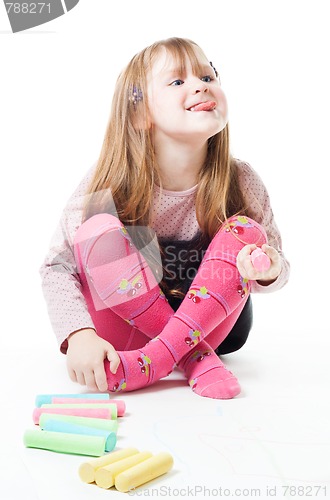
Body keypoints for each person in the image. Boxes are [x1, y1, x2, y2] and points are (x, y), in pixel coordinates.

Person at [40, 37, 290, 400]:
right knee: (98, 230)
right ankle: (194, 360)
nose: (201, 85)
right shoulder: (110, 180)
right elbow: (57, 267)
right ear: (140, 114)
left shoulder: (241, 180)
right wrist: (79, 334)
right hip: (127, 328)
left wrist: (267, 270)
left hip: (213, 327)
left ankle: (156, 362)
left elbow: (279, 269)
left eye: (208, 75)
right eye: (177, 81)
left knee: (246, 232)